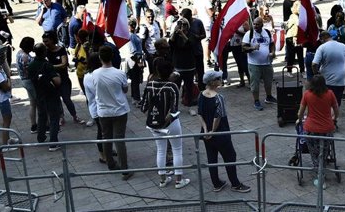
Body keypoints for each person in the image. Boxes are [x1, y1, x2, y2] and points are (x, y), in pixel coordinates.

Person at [198, 70, 251, 193]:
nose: (220, 80)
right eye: (218, 78)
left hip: (206, 135)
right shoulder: (218, 97)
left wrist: (206, 130)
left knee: (212, 158)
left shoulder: (201, 95)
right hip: (221, 133)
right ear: (212, 82)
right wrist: (212, 130)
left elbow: (200, 113)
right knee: (230, 156)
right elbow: (218, 116)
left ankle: (216, 183)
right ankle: (235, 184)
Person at [141, 59, 190, 189]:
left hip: (153, 124)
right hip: (171, 123)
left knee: (160, 150)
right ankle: (179, 180)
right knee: (177, 150)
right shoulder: (172, 86)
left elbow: (144, 107)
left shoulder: (150, 85)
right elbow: (173, 109)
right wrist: (165, 121)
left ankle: (163, 179)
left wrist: (153, 118)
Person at [93, 46, 133, 180]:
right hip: (119, 110)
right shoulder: (119, 73)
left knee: (106, 137)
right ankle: (125, 168)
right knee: (119, 139)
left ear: (100, 58)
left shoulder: (95, 74)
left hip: (104, 111)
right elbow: (125, 89)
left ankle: (110, 162)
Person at [296, 74, 339, 189]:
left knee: (314, 151)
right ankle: (322, 168)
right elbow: (336, 109)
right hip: (327, 128)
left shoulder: (307, 95)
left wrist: (299, 119)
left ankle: (318, 171)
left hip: (311, 129)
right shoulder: (330, 94)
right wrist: (334, 118)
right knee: (324, 151)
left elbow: (301, 112)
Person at [43, 30, 85, 125]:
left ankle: (74, 116)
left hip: (64, 79)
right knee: (57, 100)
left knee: (66, 99)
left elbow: (64, 64)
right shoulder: (45, 51)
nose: (45, 43)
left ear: (52, 40)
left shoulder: (61, 49)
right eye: (44, 41)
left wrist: (51, 66)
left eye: (47, 41)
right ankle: (61, 117)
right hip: (52, 80)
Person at [28, 43, 62, 150]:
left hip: (39, 94)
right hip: (51, 94)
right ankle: (53, 143)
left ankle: (41, 137)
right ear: (44, 52)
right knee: (54, 118)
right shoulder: (47, 65)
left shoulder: (31, 65)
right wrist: (58, 76)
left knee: (42, 116)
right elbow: (57, 82)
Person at [242, 17, 277, 111]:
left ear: (262, 24)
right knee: (255, 84)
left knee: (268, 82)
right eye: (254, 24)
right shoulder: (249, 34)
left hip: (267, 63)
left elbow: (272, 44)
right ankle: (256, 101)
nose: (255, 26)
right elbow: (243, 48)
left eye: (257, 24)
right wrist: (252, 48)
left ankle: (269, 97)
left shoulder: (267, 32)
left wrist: (273, 53)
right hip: (254, 64)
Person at [169, 17, 199, 116]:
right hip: (178, 66)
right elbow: (171, 43)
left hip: (189, 66)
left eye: (185, 25)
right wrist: (175, 31)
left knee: (188, 87)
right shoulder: (176, 36)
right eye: (181, 24)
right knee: (176, 87)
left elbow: (191, 44)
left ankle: (190, 106)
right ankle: (174, 107)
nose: (183, 27)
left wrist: (183, 35)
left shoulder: (191, 35)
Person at [312, 31, 345, 107]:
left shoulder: (322, 47)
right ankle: (334, 117)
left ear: (323, 39)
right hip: (341, 79)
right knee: (337, 102)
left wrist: (316, 73)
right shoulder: (343, 46)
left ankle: (328, 117)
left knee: (326, 103)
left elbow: (314, 64)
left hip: (327, 80)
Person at [83, 53, 108, 163]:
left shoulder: (90, 75)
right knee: (101, 131)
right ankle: (102, 155)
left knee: (106, 131)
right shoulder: (92, 76)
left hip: (99, 107)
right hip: (98, 109)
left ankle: (107, 150)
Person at [17, 37, 37, 134]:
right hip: (30, 81)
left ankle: (33, 125)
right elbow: (30, 70)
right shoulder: (26, 57)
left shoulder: (19, 53)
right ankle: (45, 126)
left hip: (24, 80)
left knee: (32, 104)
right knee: (39, 103)